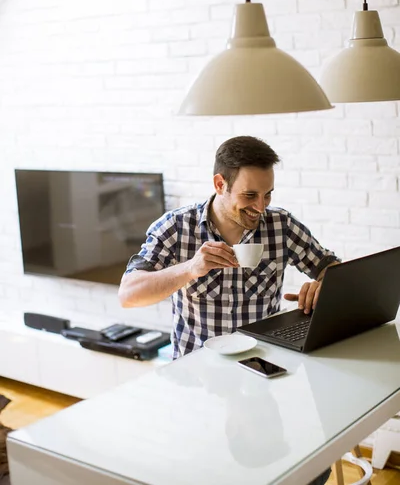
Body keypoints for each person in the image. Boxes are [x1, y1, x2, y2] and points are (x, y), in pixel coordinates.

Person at [119, 135, 338, 485]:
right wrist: (190, 268)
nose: (261, 207)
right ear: (220, 184)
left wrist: (326, 284)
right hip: (197, 381)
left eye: (268, 195)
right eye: (249, 196)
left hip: (267, 373)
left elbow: (332, 268)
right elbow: (129, 294)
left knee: (303, 469)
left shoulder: (280, 225)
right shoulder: (175, 228)